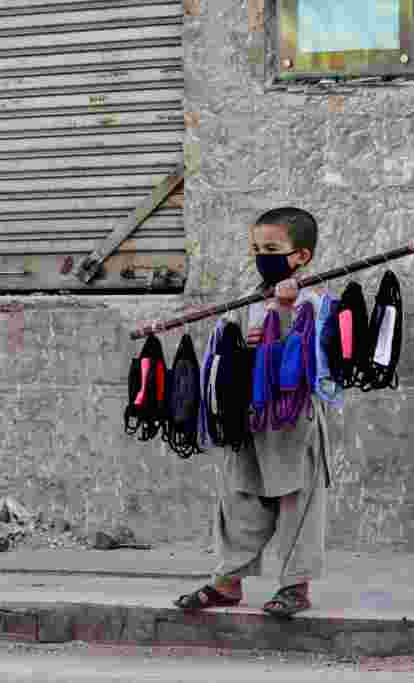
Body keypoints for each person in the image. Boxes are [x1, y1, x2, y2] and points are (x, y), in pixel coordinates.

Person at [170, 207, 331, 617]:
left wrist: (285, 313)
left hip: (292, 419)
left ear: (302, 256)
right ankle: (227, 582)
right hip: (248, 418)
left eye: (273, 248)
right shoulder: (249, 300)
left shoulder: (315, 300)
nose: (262, 255)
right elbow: (232, 350)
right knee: (238, 496)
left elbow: (317, 361)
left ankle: (295, 586)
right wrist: (247, 339)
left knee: (298, 500)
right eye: (256, 248)